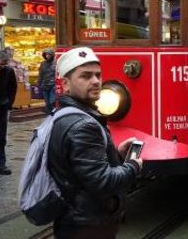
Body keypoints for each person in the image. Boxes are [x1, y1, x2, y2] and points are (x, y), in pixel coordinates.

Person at [48, 47, 142, 238]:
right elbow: (103, 182)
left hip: (77, 219)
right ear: (65, 84)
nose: (96, 81)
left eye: (98, 75)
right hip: (88, 224)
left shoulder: (66, 115)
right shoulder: (83, 125)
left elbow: (81, 169)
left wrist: (115, 154)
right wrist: (133, 166)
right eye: (85, 76)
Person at [37, 48, 57, 114]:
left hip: (53, 85)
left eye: (48, 54)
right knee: (47, 102)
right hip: (44, 84)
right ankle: (50, 114)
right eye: (46, 54)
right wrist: (38, 83)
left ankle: (53, 112)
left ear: (52, 55)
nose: (47, 56)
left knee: (52, 100)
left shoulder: (56, 62)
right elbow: (41, 74)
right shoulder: (43, 63)